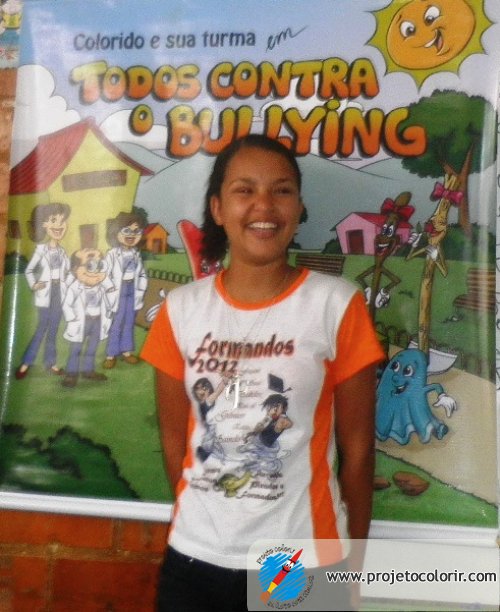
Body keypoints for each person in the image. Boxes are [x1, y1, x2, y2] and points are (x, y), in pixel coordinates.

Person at [141, 134, 384, 611]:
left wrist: (352, 569)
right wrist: (212, 521)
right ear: (217, 207)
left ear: (299, 207)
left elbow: (357, 453)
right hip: (194, 559)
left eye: (282, 190)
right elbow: (174, 442)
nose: (264, 206)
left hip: (299, 560)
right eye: (244, 190)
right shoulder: (181, 309)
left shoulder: (336, 304)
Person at [16, 202, 71, 379]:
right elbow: (29, 270)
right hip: (46, 293)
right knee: (42, 328)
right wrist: (34, 284)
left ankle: (51, 363)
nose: (59, 226)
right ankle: (26, 363)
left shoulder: (63, 252)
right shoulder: (41, 250)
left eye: (62, 221)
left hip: (59, 293)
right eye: (53, 221)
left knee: (53, 329)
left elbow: (68, 273)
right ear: (44, 225)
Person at [102, 212, 148, 369]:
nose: (131, 235)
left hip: (132, 290)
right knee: (117, 323)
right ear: (116, 232)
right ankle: (111, 354)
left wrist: (140, 289)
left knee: (129, 321)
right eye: (127, 230)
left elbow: (141, 274)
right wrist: (110, 288)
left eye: (136, 231)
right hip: (118, 291)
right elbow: (104, 274)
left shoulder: (136, 254)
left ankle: (126, 351)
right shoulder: (112, 254)